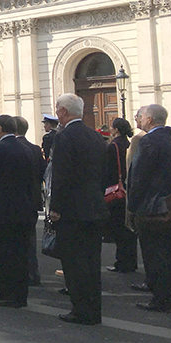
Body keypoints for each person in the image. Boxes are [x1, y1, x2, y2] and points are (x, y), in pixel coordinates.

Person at [49, 93, 107, 325]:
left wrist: (55, 208)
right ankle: (94, 308)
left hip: (73, 210)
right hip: (94, 207)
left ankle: (81, 309)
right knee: (92, 262)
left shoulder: (64, 137)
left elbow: (62, 176)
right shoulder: (95, 136)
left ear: (63, 111)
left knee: (74, 263)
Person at [0, 115, 38, 308]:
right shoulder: (26, 149)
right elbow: (33, 182)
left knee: (3, 255)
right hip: (24, 209)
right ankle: (21, 294)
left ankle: (7, 293)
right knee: (21, 254)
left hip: (1, 211)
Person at [128, 104, 171, 312]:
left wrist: (132, 206)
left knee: (154, 255)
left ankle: (161, 299)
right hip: (170, 204)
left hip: (151, 206)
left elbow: (138, 176)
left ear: (149, 119)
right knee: (170, 254)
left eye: (141, 117)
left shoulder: (148, 141)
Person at [14, 115, 44, 287]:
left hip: (16, 201)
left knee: (15, 241)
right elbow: (42, 172)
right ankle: (33, 273)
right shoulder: (34, 149)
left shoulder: (11, 148)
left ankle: (22, 274)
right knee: (30, 239)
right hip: (32, 200)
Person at [106, 117, 137, 273]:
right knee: (129, 229)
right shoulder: (130, 144)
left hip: (117, 191)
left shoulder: (114, 146)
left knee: (119, 228)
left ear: (116, 130)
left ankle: (122, 262)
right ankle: (131, 261)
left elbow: (108, 171)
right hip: (129, 188)